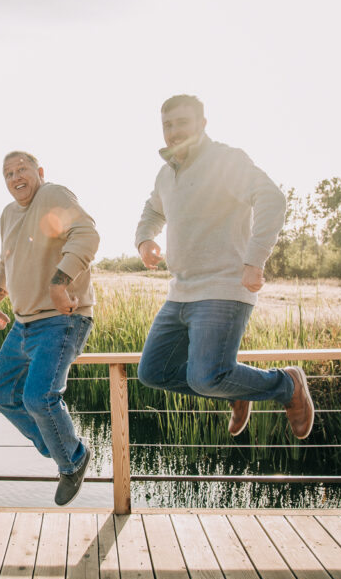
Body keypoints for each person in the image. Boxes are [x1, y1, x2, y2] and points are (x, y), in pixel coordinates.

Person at [134, 94, 314, 439]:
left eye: (182, 123)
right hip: (181, 291)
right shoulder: (165, 173)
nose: (173, 131)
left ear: (202, 124)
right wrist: (145, 239)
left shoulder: (225, 160)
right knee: (153, 372)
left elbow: (271, 198)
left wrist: (254, 259)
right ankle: (235, 388)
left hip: (223, 287)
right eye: (167, 125)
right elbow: (153, 210)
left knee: (206, 377)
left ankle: (286, 385)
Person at [0, 151, 100, 506]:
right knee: (2, 394)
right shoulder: (7, 214)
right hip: (23, 324)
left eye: (22, 170)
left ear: (40, 172)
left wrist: (59, 283)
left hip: (61, 319)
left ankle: (73, 461)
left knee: (38, 397)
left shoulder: (53, 195)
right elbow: (8, 262)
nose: (16, 177)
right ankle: (59, 446)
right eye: (8, 173)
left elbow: (88, 235)